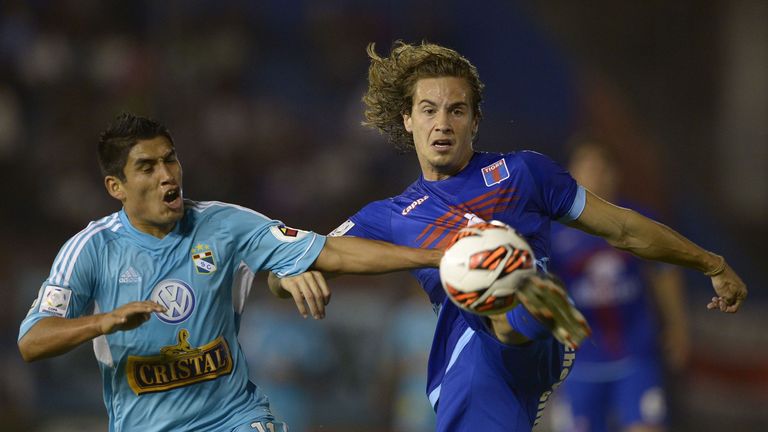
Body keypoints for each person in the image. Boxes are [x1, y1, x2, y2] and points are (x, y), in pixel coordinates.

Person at [269, 41, 747, 432]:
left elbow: (622, 227)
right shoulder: (391, 215)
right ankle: (506, 283)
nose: (442, 123)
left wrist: (710, 263)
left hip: (528, 337)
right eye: (429, 110)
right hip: (469, 358)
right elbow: (299, 258)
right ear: (406, 120)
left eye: (457, 110)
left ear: (475, 121)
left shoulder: (523, 173)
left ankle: (514, 287)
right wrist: (288, 273)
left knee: (505, 285)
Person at [16, 112, 444, 432]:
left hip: (234, 419)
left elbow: (330, 251)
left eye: (170, 160)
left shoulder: (225, 224)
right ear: (116, 187)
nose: (167, 176)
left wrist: (433, 256)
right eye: (147, 167)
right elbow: (32, 341)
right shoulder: (92, 248)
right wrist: (102, 322)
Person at [549, 140, 689, 432]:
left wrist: (677, 326)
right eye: (588, 167)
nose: (596, 175)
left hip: (636, 355)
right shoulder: (552, 229)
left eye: (602, 168)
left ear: (615, 174)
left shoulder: (639, 221)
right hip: (579, 361)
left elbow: (664, 272)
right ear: (572, 174)